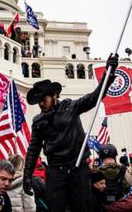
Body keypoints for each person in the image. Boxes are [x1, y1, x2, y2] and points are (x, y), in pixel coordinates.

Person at [22, 54, 119, 212]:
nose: (40, 103)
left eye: (43, 99)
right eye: (38, 100)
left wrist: (108, 74)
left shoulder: (71, 107)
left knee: (81, 207)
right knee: (56, 208)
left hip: (78, 167)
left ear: (54, 96)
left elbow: (94, 97)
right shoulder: (38, 121)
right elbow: (33, 149)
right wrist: (27, 175)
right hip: (55, 171)